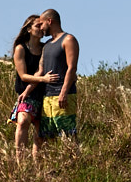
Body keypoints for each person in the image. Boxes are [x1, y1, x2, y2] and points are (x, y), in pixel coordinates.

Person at [10, 15, 59, 159]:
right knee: (23, 121)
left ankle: (38, 169)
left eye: (42, 25)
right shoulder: (21, 49)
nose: (41, 29)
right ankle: (21, 162)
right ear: (29, 29)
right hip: (27, 94)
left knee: (41, 133)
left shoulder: (46, 48)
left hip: (44, 94)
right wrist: (42, 79)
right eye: (37, 26)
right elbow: (23, 75)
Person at [35, 8, 79, 140]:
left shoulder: (68, 40)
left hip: (63, 96)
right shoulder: (46, 45)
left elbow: (72, 68)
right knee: (48, 136)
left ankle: (74, 160)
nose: (41, 28)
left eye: (42, 24)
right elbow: (40, 71)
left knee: (68, 135)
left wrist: (63, 92)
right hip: (47, 97)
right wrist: (26, 90)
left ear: (50, 21)